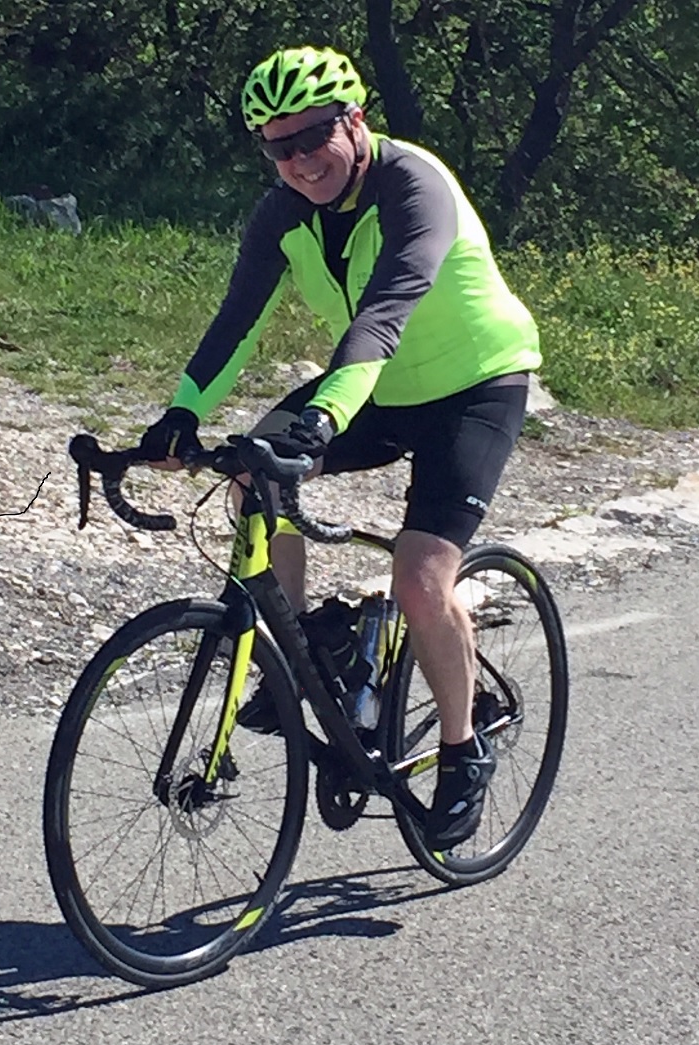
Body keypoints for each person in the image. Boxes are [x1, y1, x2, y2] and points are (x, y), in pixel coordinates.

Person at [136, 45, 541, 851]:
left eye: (312, 137)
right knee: (255, 474)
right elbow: (237, 322)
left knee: (422, 577)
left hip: (473, 387)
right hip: (374, 388)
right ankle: (300, 649)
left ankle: (462, 751)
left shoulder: (413, 185)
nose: (297, 161)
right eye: (276, 147)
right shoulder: (281, 212)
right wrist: (180, 414)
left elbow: (383, 318)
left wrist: (320, 422)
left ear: (354, 121)